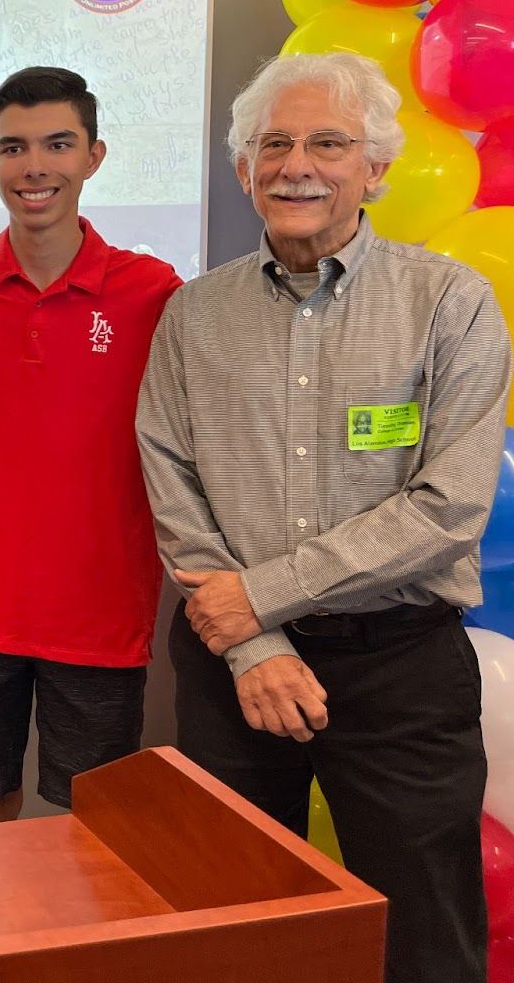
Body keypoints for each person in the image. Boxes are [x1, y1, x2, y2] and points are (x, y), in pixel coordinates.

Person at [137, 52, 510, 983]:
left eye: (328, 143)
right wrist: (254, 645)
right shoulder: (193, 315)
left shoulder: (450, 304)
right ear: (243, 170)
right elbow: (172, 484)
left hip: (402, 670)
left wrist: (256, 600)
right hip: (233, 675)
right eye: (274, 144)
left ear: (375, 168)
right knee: (236, 929)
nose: (296, 163)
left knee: (426, 940)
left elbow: (450, 505)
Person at [0, 66, 181, 823]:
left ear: (94, 156)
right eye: (14, 147)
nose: (35, 167)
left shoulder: (150, 290)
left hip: (100, 609)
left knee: (90, 824)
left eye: (58, 145)